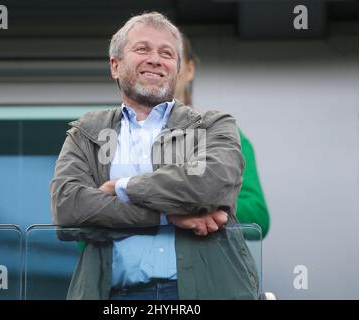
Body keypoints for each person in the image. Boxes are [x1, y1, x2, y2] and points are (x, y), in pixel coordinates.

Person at [51, 12, 259, 300]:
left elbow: (208, 186)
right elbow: (69, 209)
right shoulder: (86, 132)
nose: (156, 59)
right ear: (115, 65)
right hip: (113, 296)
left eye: (167, 53)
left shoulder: (212, 124)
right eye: (142, 49)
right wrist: (167, 216)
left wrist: (122, 187)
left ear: (177, 69)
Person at [175, 35, 270, 238]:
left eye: (172, 56)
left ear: (190, 69)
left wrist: (197, 206)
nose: (160, 64)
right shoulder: (116, 136)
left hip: (202, 266)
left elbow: (258, 217)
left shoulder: (222, 134)